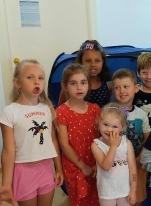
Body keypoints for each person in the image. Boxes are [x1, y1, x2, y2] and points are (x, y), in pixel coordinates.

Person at [0, 59, 63, 206]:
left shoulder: (47, 109)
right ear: (17, 83)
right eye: (30, 77)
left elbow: (53, 140)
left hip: (46, 169)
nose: (37, 82)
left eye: (40, 78)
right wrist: (5, 184)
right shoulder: (10, 112)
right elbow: (8, 150)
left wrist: (58, 167)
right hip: (23, 171)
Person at [56, 63, 101, 206]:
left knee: (98, 199)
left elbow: (101, 138)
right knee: (79, 201)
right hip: (75, 165)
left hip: (95, 163)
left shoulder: (95, 109)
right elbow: (64, 144)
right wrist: (82, 166)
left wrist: (97, 164)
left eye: (83, 82)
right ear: (64, 86)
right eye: (73, 83)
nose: (79, 87)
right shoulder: (61, 112)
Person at [112, 68, 151, 205]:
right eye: (117, 87)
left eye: (126, 87)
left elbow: (148, 138)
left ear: (136, 88)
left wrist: (139, 159)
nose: (122, 91)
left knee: (137, 198)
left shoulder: (141, 114)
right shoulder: (109, 113)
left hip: (138, 164)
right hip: (116, 167)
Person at [91, 103, 138, 206]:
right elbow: (106, 167)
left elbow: (133, 168)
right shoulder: (96, 145)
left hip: (125, 191)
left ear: (122, 127)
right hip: (107, 193)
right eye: (105, 124)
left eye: (115, 126)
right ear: (99, 122)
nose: (109, 130)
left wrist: (133, 191)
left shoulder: (126, 143)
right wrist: (113, 147)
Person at [59, 40, 112, 108]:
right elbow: (61, 109)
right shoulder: (70, 87)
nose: (93, 64)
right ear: (81, 61)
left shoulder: (107, 87)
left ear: (102, 62)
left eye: (97, 61)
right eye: (88, 61)